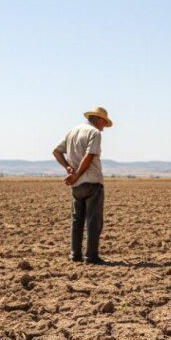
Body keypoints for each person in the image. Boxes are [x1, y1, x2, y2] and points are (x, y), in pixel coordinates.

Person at [52, 106, 113, 264]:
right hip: (92, 181)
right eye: (103, 123)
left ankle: (75, 255)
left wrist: (68, 169)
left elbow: (56, 151)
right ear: (98, 119)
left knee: (76, 220)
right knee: (93, 221)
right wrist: (77, 173)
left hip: (76, 185)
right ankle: (91, 257)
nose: (103, 128)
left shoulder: (72, 131)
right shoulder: (94, 133)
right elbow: (89, 155)